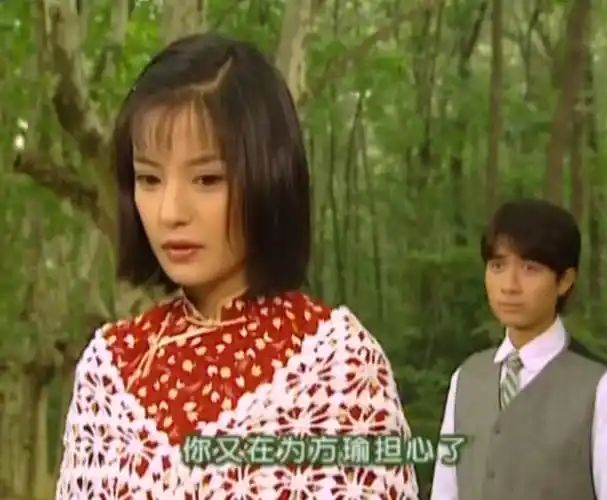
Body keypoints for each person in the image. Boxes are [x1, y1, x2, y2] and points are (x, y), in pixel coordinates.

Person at [54, 33, 418, 499]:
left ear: (269, 177)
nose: (170, 211)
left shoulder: (339, 369)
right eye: (149, 179)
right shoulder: (110, 371)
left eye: (207, 179)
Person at [430, 198, 607, 500]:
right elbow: (446, 491)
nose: (509, 285)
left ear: (564, 281)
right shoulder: (466, 379)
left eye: (530, 268)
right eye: (498, 266)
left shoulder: (604, 392)